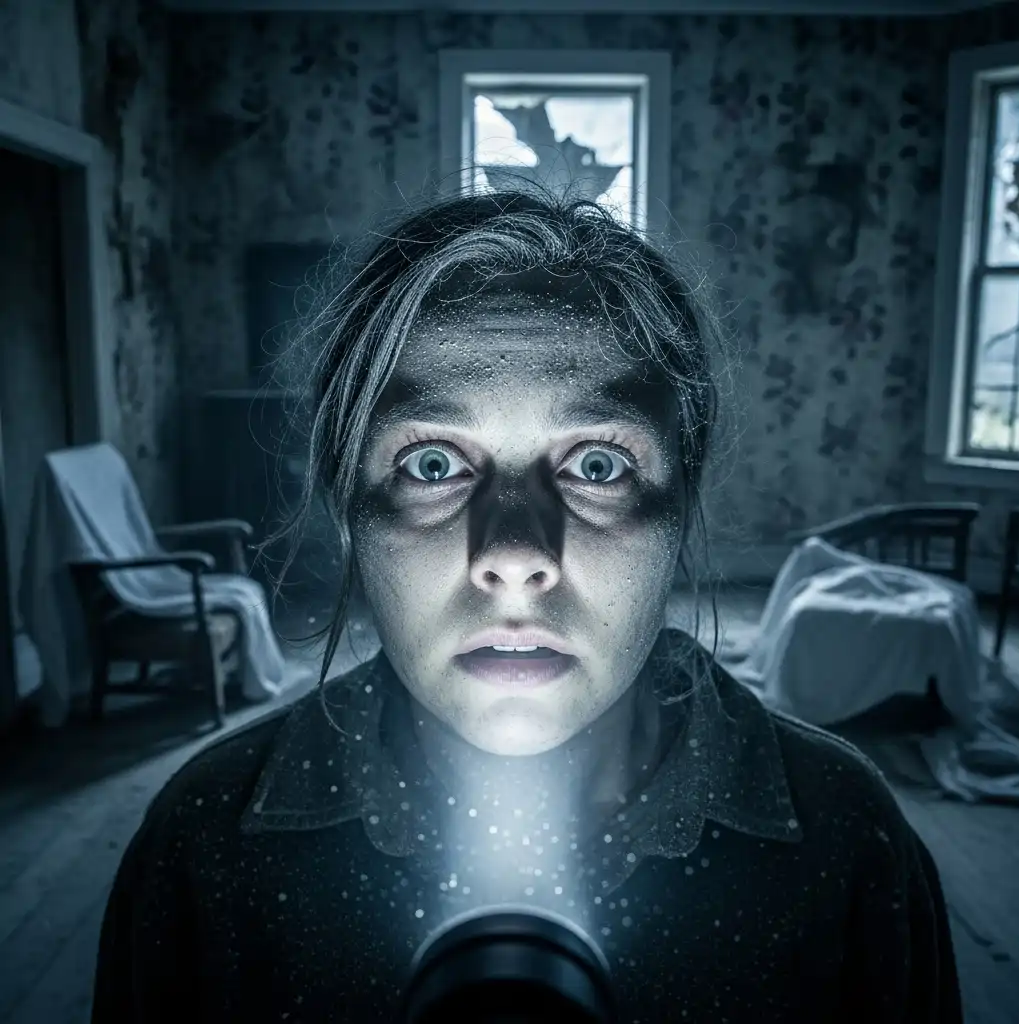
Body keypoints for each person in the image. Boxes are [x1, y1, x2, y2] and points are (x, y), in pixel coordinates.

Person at [91, 187, 962, 1023]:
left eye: (597, 465)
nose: (514, 557)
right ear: (348, 510)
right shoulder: (205, 850)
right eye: (432, 464)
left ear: (681, 508)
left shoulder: (847, 850)